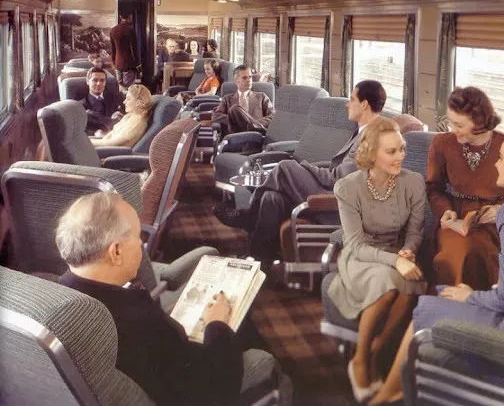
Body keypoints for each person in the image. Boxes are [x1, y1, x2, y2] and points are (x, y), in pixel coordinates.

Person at [368, 126, 504, 405]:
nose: (496, 163)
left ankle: (390, 395)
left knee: (427, 305)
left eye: (501, 158)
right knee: (448, 294)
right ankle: (403, 389)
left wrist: (470, 296)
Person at [56, 192, 282, 406]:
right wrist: (218, 324)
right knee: (257, 348)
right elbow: (212, 391)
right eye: (138, 237)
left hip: (160, 369)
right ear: (116, 252)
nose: (142, 245)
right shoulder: (138, 324)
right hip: (198, 384)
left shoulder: (58, 292)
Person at [215, 80, 386, 263]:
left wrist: (304, 167)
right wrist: (310, 169)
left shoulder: (371, 137)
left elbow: (338, 178)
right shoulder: (363, 132)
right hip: (334, 188)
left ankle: (248, 215)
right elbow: (338, 169)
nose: (347, 104)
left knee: (285, 166)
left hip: (337, 202)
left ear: (364, 104)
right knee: (271, 198)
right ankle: (258, 260)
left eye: (351, 99)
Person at [327, 117, 427, 402]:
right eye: (391, 152)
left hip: (397, 253)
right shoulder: (347, 188)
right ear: (371, 153)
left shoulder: (414, 183)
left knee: (412, 282)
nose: (401, 157)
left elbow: (415, 232)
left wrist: (408, 250)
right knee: (389, 279)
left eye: (402, 149)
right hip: (361, 257)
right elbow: (356, 245)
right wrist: (395, 261)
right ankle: (359, 358)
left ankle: (375, 348)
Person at [427, 86, 504, 291]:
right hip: (456, 219)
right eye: (450, 122)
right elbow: (433, 188)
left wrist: (502, 210)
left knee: (486, 251)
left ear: (479, 123)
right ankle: (451, 313)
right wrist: (445, 211)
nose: (452, 129)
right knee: (459, 252)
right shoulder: (441, 143)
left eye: (458, 124)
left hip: (494, 222)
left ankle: (484, 312)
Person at [210, 65, 274, 135]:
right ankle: (252, 127)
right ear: (236, 81)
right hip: (235, 136)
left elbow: (273, 115)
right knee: (235, 109)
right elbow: (216, 116)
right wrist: (235, 119)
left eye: (250, 77)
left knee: (234, 109)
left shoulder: (262, 97)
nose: (249, 80)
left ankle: (253, 127)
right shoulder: (227, 98)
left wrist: (255, 123)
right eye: (244, 78)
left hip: (256, 136)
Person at [83, 67, 120, 135]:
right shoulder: (81, 106)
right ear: (87, 81)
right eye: (95, 80)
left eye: (102, 80)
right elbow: (82, 130)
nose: (99, 83)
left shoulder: (116, 98)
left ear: (106, 82)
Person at [109, 12, 140, 90]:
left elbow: (113, 49)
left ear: (120, 16)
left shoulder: (113, 30)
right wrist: (137, 64)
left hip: (117, 63)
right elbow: (134, 49)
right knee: (128, 88)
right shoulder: (130, 29)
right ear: (130, 16)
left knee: (118, 87)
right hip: (128, 63)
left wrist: (114, 62)